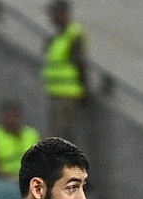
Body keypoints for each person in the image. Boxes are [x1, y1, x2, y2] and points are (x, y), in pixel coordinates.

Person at [42, 0, 87, 141]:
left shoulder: (73, 35)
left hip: (68, 94)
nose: (52, 18)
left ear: (64, 14)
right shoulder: (56, 37)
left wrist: (84, 89)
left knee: (63, 134)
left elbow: (80, 64)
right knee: (57, 134)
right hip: (56, 92)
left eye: (55, 14)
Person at [0, 100, 39, 179]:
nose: (12, 120)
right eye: (9, 117)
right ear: (3, 118)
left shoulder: (32, 134)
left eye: (15, 117)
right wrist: (5, 176)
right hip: (4, 179)